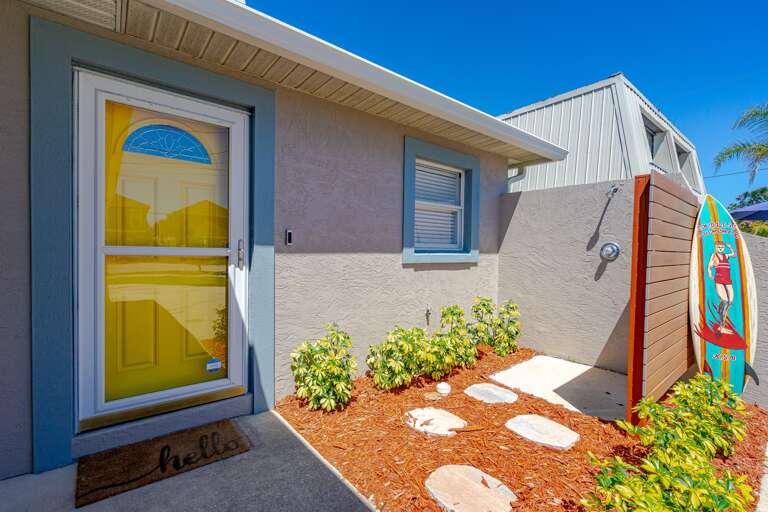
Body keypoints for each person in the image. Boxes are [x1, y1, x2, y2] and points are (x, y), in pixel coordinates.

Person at [707, 241, 735, 335]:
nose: (720, 249)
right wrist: (709, 273)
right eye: (718, 247)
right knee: (725, 300)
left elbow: (734, 254)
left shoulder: (726, 256)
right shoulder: (714, 256)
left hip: (728, 280)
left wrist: (730, 247)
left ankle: (720, 309)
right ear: (716, 247)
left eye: (722, 247)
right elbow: (709, 266)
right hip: (719, 280)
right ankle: (722, 327)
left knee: (730, 301)